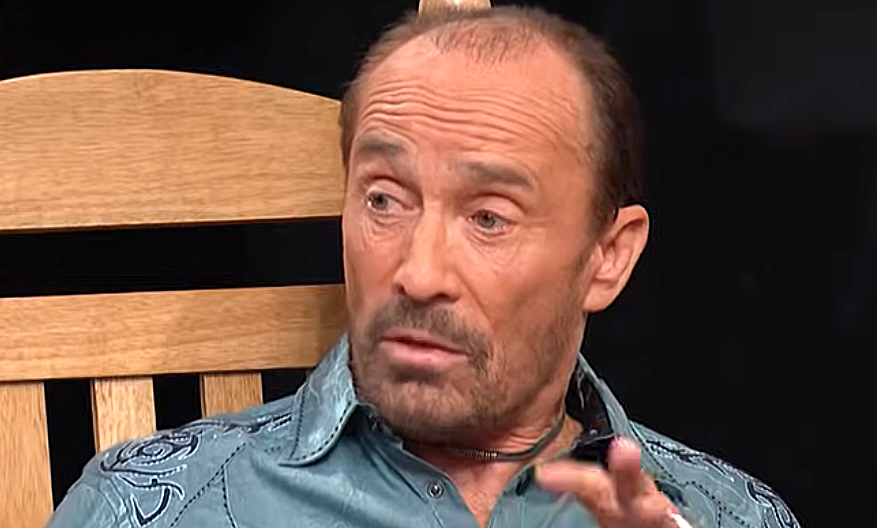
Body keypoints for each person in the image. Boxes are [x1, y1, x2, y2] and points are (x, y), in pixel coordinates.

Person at [46, 6, 800, 528]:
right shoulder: (151, 506)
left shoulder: (730, 516)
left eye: (488, 218)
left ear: (608, 257)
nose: (418, 272)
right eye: (384, 200)